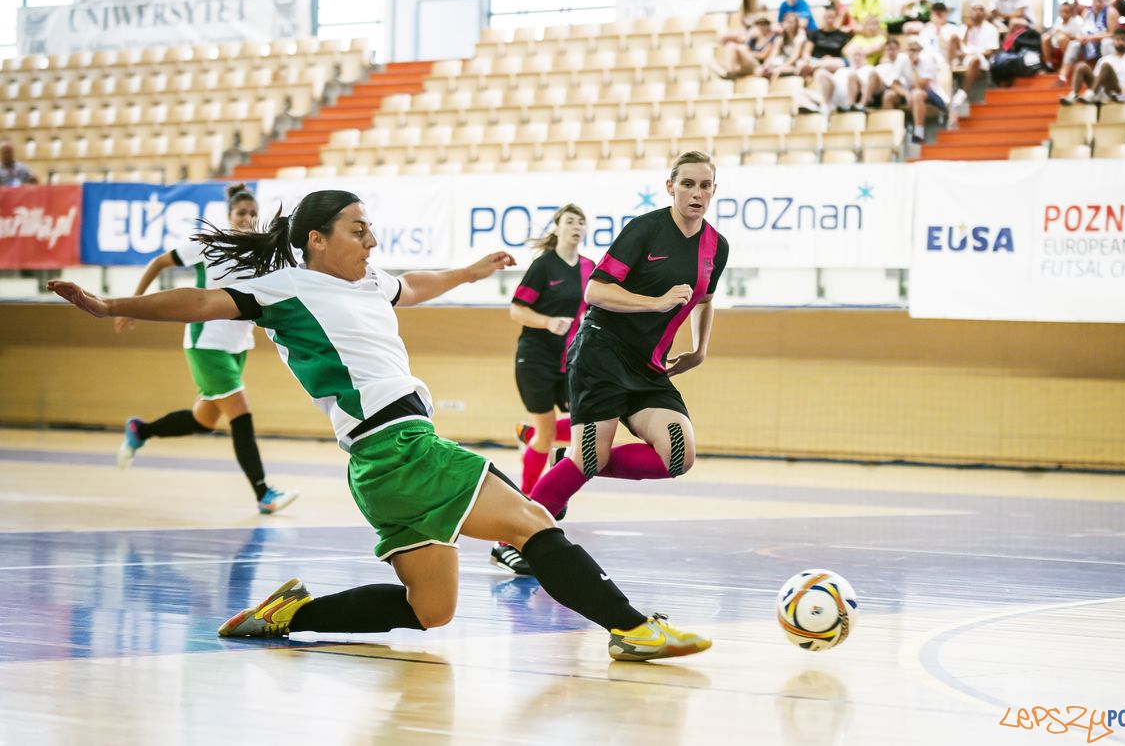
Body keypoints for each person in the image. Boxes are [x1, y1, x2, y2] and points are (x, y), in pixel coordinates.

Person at [47, 189, 712, 662]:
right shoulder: (287, 289)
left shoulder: (368, 283)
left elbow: (415, 285)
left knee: (432, 610)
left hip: (382, 468)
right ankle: (633, 629)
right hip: (399, 448)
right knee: (532, 523)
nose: (371, 239)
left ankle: (290, 616)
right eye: (358, 228)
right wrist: (110, 305)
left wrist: (471, 271)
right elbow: (199, 298)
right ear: (317, 240)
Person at [521, 152, 729, 529]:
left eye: (704, 186)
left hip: (647, 368)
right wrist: (656, 303)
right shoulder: (644, 230)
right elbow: (595, 292)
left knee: (678, 457)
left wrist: (699, 351)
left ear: (714, 190)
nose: (696, 193)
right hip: (601, 354)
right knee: (589, 458)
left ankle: (570, 464)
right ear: (670, 187)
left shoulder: (717, 246)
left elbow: (706, 299)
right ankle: (510, 540)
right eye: (687, 184)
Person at [113, 183, 295, 514]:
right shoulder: (209, 245)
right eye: (242, 212)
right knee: (241, 413)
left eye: (253, 213)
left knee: (204, 420)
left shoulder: (259, 252)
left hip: (238, 345)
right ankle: (263, 493)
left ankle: (141, 430)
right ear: (229, 216)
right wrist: (133, 304)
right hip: (206, 343)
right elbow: (158, 263)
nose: (248, 218)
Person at [509, 204, 593, 502]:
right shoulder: (543, 266)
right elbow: (517, 310)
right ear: (557, 228)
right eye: (570, 221)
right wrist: (547, 322)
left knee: (585, 430)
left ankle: (528, 435)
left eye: (581, 222)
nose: (576, 226)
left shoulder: (588, 268)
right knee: (547, 435)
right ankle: (530, 498)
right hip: (535, 358)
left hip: (569, 360)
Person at [1060, 26, 1125, 102]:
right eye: (1117, 39)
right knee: (1081, 66)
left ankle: (1091, 94)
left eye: (1123, 39)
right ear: (1113, 41)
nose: (1120, 42)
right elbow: (1096, 78)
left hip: (1120, 91)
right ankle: (1074, 95)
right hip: (1101, 90)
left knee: (1106, 66)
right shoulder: (1104, 59)